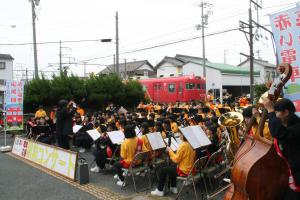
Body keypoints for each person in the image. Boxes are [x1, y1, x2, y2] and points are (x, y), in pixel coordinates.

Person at [263, 98, 300, 200]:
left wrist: (270, 110)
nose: (275, 115)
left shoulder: (297, 127)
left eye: (277, 112)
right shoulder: (289, 126)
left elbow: (279, 133)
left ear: (286, 112)